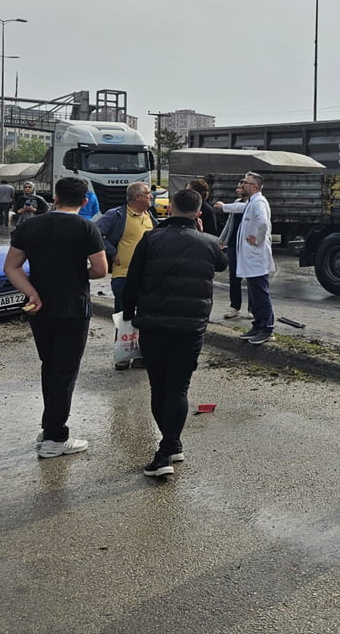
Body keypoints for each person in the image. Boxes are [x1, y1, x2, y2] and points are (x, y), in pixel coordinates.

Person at [121, 188, 227, 477]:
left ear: (170, 210)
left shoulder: (151, 238)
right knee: (178, 387)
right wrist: (203, 232)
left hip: (154, 325)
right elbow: (222, 264)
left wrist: (129, 315)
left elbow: (133, 281)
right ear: (199, 213)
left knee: (159, 387)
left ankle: (166, 452)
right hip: (190, 327)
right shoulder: (208, 243)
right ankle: (173, 444)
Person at [4, 177, 109, 458]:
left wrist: (32, 293)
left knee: (49, 365)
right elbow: (100, 269)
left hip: (40, 307)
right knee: (65, 371)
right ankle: (55, 437)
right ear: (85, 202)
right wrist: (76, 273)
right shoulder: (87, 227)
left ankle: (49, 425)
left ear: (55, 197)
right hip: (73, 308)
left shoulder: (31, 225)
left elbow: (11, 267)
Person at [214, 172, 274, 345]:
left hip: (256, 259)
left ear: (254, 187)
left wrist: (258, 238)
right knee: (254, 295)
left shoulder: (259, 202)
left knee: (260, 294)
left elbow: (263, 223)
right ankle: (257, 325)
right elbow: (239, 208)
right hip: (250, 260)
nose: (242, 184)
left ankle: (267, 327)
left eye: (246, 183)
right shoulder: (251, 203)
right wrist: (224, 206)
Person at [97, 181, 157, 313]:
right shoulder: (116, 215)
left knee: (145, 320)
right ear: (137, 197)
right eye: (148, 194)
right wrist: (112, 252)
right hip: (124, 277)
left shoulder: (150, 217)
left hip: (147, 277)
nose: (151, 196)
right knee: (124, 321)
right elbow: (97, 234)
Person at [217, 179, 249, 320]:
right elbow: (229, 224)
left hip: (247, 246)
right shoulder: (236, 202)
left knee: (250, 277)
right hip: (233, 244)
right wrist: (222, 240)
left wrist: (224, 206)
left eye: (239, 187)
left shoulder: (252, 204)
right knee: (234, 277)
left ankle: (252, 309)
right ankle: (235, 307)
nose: (237, 190)